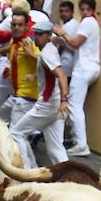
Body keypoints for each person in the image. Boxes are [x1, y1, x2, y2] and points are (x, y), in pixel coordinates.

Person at [10, 17, 69, 166]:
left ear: (49, 36)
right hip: (53, 104)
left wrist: (64, 100)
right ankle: (69, 176)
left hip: (48, 104)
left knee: (16, 133)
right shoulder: (48, 51)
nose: (37, 37)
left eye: (41, 34)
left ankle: (26, 170)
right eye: (36, 33)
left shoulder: (48, 52)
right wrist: (35, 75)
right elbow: (47, 67)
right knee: (56, 149)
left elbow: (61, 75)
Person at [53, 0, 99, 157]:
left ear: (93, 10)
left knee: (73, 106)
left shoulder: (87, 22)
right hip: (90, 68)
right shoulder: (93, 23)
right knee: (75, 106)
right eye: (83, 9)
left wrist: (61, 33)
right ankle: (76, 140)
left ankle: (81, 144)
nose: (85, 12)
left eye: (88, 9)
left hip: (83, 70)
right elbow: (76, 46)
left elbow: (74, 43)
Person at [56, 0, 77, 78]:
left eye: (66, 11)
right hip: (69, 64)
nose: (63, 13)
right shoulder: (72, 24)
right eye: (61, 11)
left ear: (72, 12)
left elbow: (64, 45)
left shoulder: (69, 26)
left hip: (67, 63)